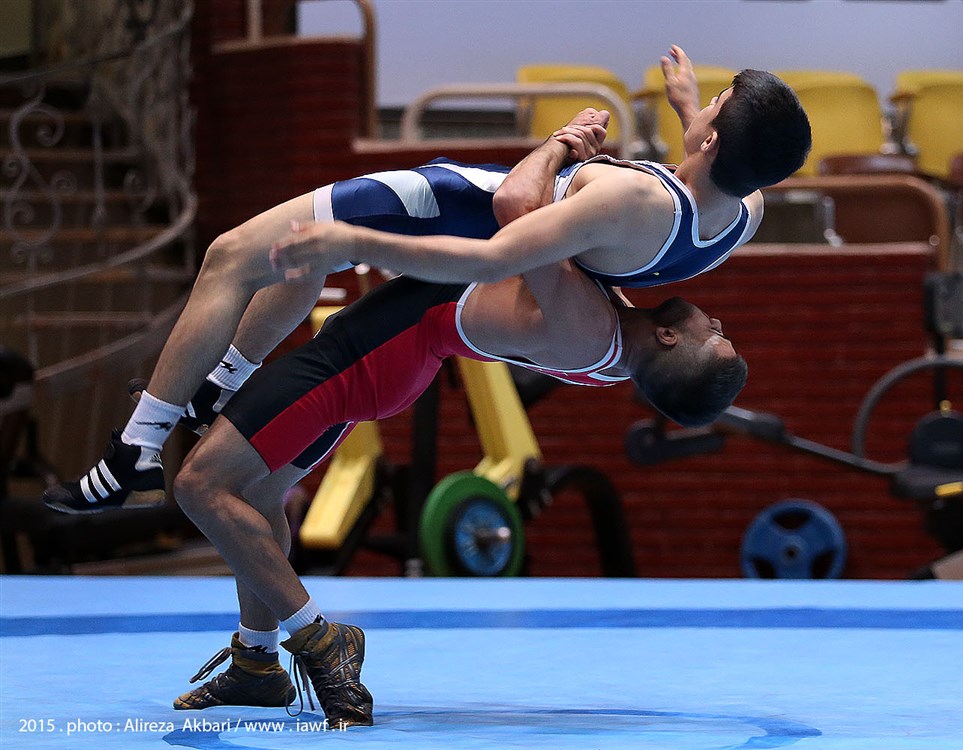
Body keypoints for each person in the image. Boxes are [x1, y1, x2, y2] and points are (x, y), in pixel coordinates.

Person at [44, 45, 809, 514]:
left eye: (713, 106)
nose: (702, 102)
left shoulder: (636, 200)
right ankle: (219, 385)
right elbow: (700, 183)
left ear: (713, 140)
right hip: (506, 258)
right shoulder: (742, 215)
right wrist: (690, 110)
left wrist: (559, 146)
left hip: (460, 208)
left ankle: (137, 446)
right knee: (296, 262)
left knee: (232, 254)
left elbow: (508, 223)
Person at [162, 133, 748, 729]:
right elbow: (653, 207)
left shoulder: (592, 328)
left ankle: (319, 639)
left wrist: (559, 144)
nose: (717, 321)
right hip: (389, 354)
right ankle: (256, 662)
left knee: (200, 485)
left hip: (373, 354)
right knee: (259, 493)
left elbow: (519, 208)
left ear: (670, 338)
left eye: (715, 335)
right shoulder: (615, 328)